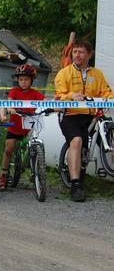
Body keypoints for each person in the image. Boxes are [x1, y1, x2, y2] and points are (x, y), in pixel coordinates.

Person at [54, 40, 113, 202]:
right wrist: (71, 95)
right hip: (70, 115)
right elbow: (59, 95)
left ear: (89, 54)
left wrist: (110, 98)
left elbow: (106, 92)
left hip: (90, 116)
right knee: (77, 141)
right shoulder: (64, 73)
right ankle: (75, 185)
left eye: (81, 52)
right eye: (75, 52)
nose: (77, 55)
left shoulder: (97, 74)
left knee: (98, 142)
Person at [0, 64, 44, 191]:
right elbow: (10, 101)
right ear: (17, 80)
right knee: (9, 149)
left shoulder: (35, 94)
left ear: (32, 80)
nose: (23, 82)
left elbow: (45, 102)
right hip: (15, 127)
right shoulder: (15, 91)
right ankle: (3, 174)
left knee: (36, 146)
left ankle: (36, 169)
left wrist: (53, 106)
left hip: (30, 128)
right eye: (21, 79)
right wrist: (10, 108)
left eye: (26, 79)